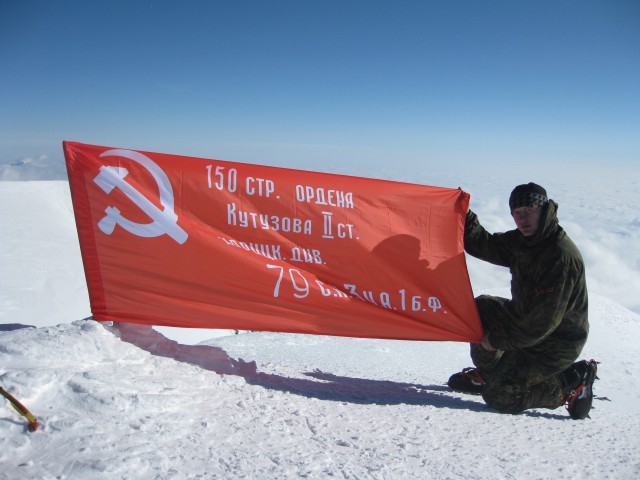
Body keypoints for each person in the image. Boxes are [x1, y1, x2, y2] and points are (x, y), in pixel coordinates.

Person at [448, 182, 598, 419]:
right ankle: (491, 374)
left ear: (544, 210)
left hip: (556, 342)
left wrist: (496, 340)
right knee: (482, 309)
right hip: (525, 322)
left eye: (529, 211)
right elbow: (484, 244)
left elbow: (542, 325)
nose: (523, 219)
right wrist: (464, 214)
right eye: (517, 213)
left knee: (499, 396)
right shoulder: (523, 242)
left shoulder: (559, 257)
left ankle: (569, 381)